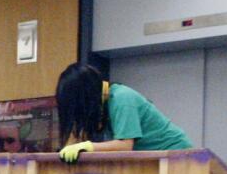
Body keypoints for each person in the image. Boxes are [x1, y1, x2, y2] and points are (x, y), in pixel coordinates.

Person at [54, 62, 193, 163]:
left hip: (177, 154)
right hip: (155, 157)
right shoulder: (104, 103)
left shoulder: (121, 98)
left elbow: (125, 145)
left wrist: (88, 146)